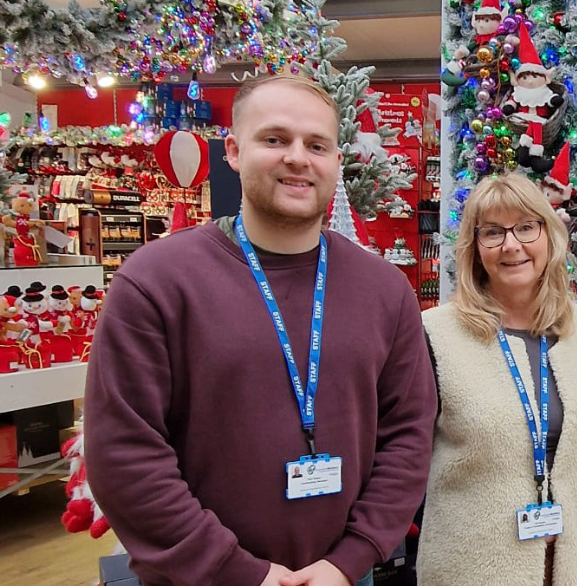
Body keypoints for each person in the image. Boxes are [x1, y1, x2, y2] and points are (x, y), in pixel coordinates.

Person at [85, 74, 437, 586]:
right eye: (275, 139)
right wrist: (240, 572)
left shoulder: (385, 290)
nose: (298, 158)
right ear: (232, 150)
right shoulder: (156, 280)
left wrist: (351, 559)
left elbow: (408, 434)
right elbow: (124, 453)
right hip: (199, 578)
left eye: (317, 145)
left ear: (337, 162)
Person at [417, 173, 577, 586]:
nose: (511, 245)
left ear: (548, 235)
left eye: (526, 227)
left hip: (576, 568)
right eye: (493, 232)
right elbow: (402, 463)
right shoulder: (435, 335)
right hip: (473, 570)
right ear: (475, 248)